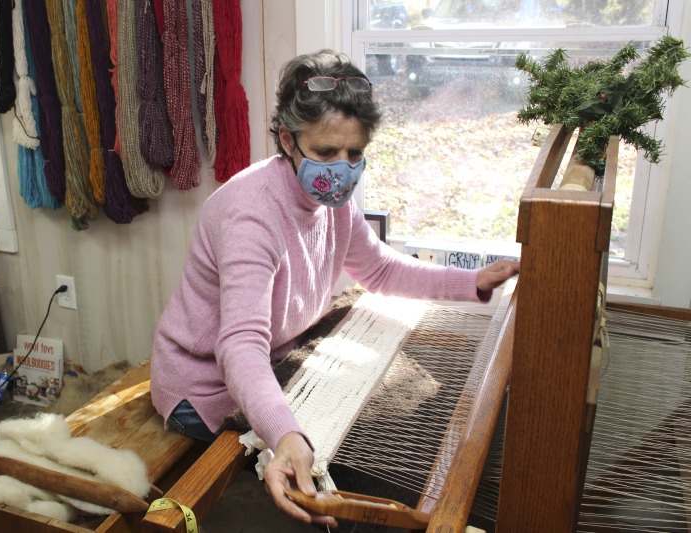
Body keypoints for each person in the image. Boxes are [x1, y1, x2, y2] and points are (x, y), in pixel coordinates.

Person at [150, 49, 519, 527]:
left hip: (279, 359)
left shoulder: (333, 196)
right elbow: (240, 345)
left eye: (355, 154)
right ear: (287, 139)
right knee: (350, 478)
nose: (341, 168)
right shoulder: (251, 217)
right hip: (206, 389)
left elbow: (381, 271)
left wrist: (471, 283)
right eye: (326, 152)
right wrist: (285, 434)